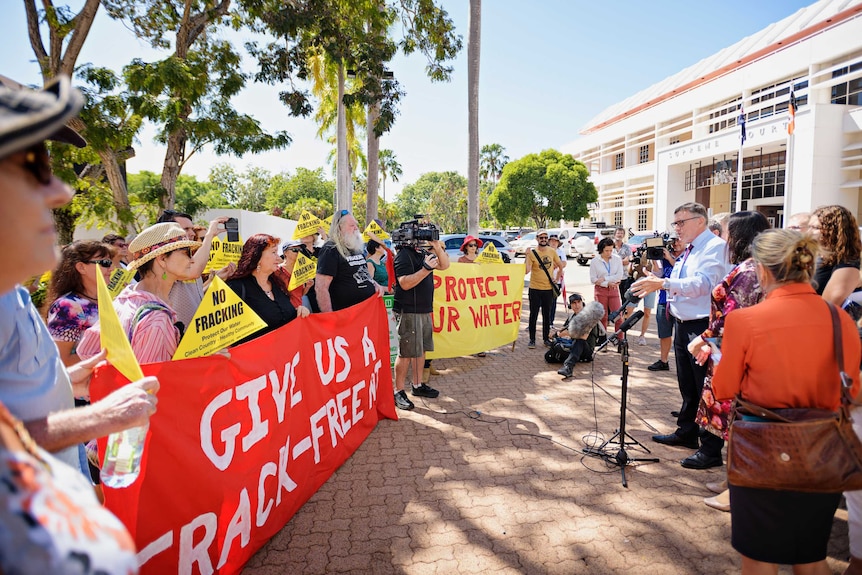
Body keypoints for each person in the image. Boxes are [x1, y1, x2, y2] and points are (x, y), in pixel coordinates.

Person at [0, 75, 157, 572]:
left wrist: (64, 382)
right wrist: (99, 419)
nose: (61, 192)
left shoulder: (13, 294)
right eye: (31, 167)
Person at [711, 229, 861, 575]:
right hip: (822, 449)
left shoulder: (745, 320)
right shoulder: (840, 319)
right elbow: (851, 389)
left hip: (762, 450)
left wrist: (714, 356)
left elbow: (724, 388)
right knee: (809, 557)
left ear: (763, 271)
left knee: (759, 559)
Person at [631, 202, 731, 470]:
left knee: (705, 388)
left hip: (702, 326)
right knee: (688, 385)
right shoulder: (691, 248)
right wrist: (658, 277)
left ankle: (710, 448)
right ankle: (687, 432)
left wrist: (663, 283)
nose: (676, 228)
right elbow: (680, 279)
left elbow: (704, 285)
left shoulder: (714, 248)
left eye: (680, 222)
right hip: (683, 323)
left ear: (700, 221)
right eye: (675, 223)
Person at [686, 211, 770, 512]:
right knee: (732, 423)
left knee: (737, 423)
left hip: (736, 355)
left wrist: (705, 338)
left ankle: (737, 489)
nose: (722, 238)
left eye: (724, 232)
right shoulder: (748, 267)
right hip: (729, 352)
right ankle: (729, 480)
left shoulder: (749, 271)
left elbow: (734, 317)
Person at [77, 222, 200, 364]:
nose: (192, 260)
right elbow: (150, 382)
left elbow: (87, 352)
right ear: (162, 259)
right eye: (186, 252)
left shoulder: (124, 299)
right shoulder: (156, 318)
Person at [392, 234, 450, 410]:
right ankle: (398, 391)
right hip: (409, 310)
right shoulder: (403, 255)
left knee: (421, 349)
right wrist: (425, 269)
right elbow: (404, 284)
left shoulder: (422, 252)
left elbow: (445, 265)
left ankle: (417, 385)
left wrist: (436, 246)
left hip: (424, 309)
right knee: (407, 353)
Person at [227, 234, 309, 346]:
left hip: (284, 358)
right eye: (273, 253)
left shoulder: (277, 284)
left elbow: (281, 316)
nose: (279, 258)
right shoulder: (236, 288)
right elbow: (225, 334)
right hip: (255, 360)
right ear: (258, 257)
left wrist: (298, 310)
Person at [155, 209, 232, 328]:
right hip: (177, 335)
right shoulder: (165, 260)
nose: (192, 233)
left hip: (196, 335)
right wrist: (209, 235)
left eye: (191, 228)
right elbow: (194, 272)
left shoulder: (190, 257)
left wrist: (214, 281)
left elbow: (195, 294)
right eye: (186, 229)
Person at [46, 241, 117, 367]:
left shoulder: (109, 299)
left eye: (110, 262)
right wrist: (110, 355)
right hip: (83, 383)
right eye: (105, 263)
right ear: (81, 267)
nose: (111, 268)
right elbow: (61, 360)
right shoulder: (68, 306)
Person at [315, 210, 386, 313]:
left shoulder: (355, 247)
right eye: (352, 225)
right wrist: (329, 316)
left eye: (356, 225)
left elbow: (363, 273)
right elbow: (321, 287)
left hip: (365, 311)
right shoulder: (330, 249)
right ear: (339, 227)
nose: (356, 228)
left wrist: (375, 284)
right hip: (346, 315)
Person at [809, 205, 862, 315]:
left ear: (833, 230)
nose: (809, 231)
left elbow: (828, 306)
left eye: (815, 228)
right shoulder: (812, 255)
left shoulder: (847, 263)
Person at [647, 232, 684, 371]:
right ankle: (664, 360)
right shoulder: (663, 257)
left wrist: (670, 258)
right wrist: (654, 260)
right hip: (664, 299)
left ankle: (683, 364)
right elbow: (658, 275)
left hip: (682, 300)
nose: (675, 244)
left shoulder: (689, 256)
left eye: (678, 240)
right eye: (673, 241)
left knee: (681, 334)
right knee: (664, 332)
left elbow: (683, 272)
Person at [525, 230, 564, 349]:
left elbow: (560, 265)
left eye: (545, 237)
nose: (543, 239)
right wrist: (526, 255)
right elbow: (527, 270)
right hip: (534, 288)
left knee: (546, 315)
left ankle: (546, 339)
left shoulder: (552, 251)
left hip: (547, 289)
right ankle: (532, 339)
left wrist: (556, 279)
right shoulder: (532, 253)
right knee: (533, 315)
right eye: (541, 237)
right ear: (537, 239)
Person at [552, 293, 604, 378]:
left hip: (586, 349)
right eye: (574, 303)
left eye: (578, 302)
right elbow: (562, 329)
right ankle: (569, 357)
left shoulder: (590, 316)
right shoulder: (572, 316)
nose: (576, 305)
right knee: (551, 354)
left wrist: (564, 333)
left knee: (579, 340)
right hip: (574, 346)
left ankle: (568, 367)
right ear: (570, 306)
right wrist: (555, 333)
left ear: (582, 303)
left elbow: (583, 336)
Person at [590, 237, 625, 338]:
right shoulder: (595, 261)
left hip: (614, 289)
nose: (609, 253)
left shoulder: (617, 259)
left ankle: (620, 340)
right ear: (601, 250)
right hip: (600, 291)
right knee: (602, 317)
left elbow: (619, 276)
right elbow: (593, 279)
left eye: (611, 250)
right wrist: (607, 283)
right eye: (606, 250)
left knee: (618, 316)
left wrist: (604, 278)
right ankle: (603, 340)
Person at [277, 239, 313, 309]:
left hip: (299, 308)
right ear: (285, 253)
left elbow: (301, 294)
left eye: (300, 250)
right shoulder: (276, 271)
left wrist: (308, 286)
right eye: (294, 250)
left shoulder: (299, 270)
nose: (298, 253)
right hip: (285, 311)